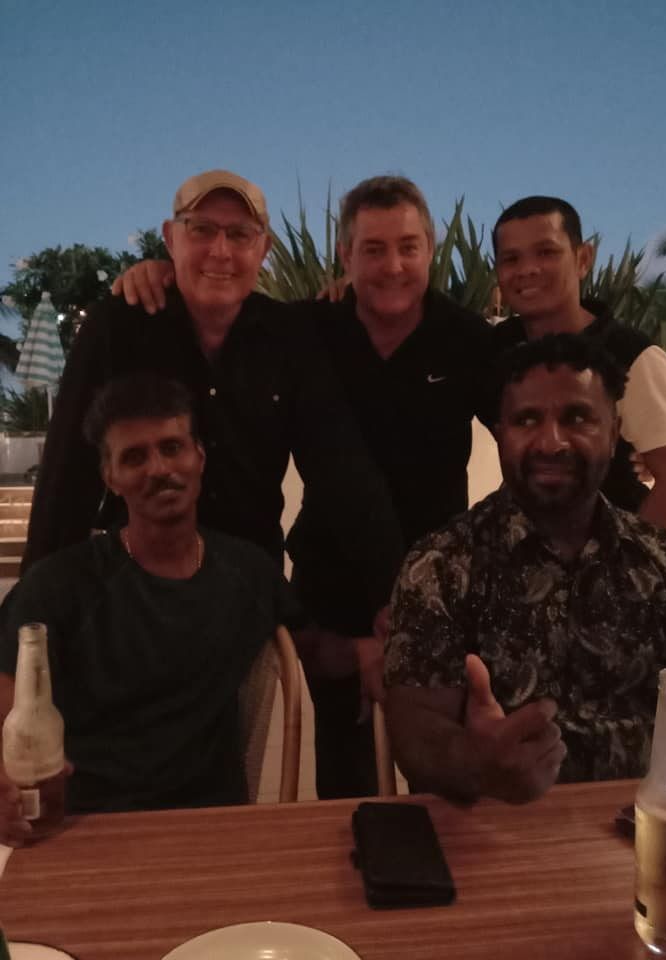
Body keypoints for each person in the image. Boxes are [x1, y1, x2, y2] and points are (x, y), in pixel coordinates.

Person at [112, 175, 495, 799]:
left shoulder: (471, 340)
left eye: (408, 246)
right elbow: (341, 471)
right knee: (346, 778)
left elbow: (529, 439)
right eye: (372, 249)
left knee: (450, 777)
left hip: (440, 588)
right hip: (332, 586)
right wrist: (151, 274)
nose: (392, 265)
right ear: (345, 257)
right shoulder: (308, 328)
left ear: (430, 248)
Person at [22, 170, 403, 652]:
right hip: (132, 595)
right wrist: (35, 620)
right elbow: (65, 477)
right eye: (201, 229)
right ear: (170, 238)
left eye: (240, 234)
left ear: (263, 250)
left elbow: (342, 471)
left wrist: (394, 596)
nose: (220, 251)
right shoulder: (118, 325)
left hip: (246, 598)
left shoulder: (290, 338)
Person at [384, 334, 666, 804]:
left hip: (637, 838)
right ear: (500, 432)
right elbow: (415, 732)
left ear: (614, 431)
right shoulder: (441, 565)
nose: (551, 441)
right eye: (527, 420)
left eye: (577, 417)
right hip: (488, 836)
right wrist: (476, 760)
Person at [0, 373, 299, 840]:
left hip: (212, 831)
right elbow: (7, 698)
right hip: (82, 830)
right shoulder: (60, 586)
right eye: (134, 456)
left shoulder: (248, 573)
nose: (159, 468)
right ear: (110, 477)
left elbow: (318, 648)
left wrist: (371, 653)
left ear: (199, 456)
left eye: (172, 447)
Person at [491, 195, 666, 531]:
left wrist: (624, 569)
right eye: (511, 258)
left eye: (546, 252)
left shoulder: (635, 358)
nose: (527, 270)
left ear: (583, 258)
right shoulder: (497, 349)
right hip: (523, 563)